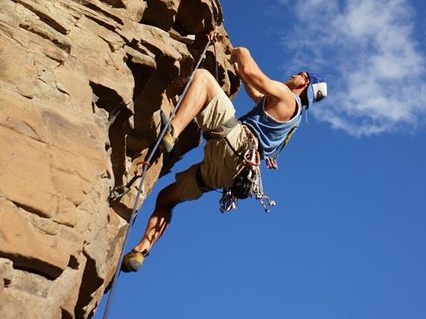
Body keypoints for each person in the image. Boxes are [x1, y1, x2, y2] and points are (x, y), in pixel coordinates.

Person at [121, 45, 327, 272]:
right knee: (166, 199)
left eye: (300, 74)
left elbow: (254, 75)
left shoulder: (288, 98)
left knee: (203, 78)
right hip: (228, 175)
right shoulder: (290, 116)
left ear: (304, 83)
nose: (293, 74)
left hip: (236, 144)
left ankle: (173, 131)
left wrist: (239, 51)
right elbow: (256, 92)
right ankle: (142, 250)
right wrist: (237, 68)